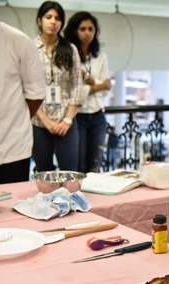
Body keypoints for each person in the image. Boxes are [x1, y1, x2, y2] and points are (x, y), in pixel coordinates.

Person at [32, 1, 81, 172]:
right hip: (39, 122)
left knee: (70, 173)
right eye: (49, 17)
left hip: (65, 122)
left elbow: (76, 86)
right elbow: (27, 88)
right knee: (44, 173)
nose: (53, 22)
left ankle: (69, 200)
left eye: (58, 18)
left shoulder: (70, 49)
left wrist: (67, 120)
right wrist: (46, 121)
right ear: (40, 20)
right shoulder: (30, 48)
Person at [0, 21, 46, 183]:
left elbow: (36, 95)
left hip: (11, 149)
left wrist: (14, 119)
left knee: (9, 206)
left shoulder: (18, 40)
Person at [64, 11, 110, 173]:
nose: (87, 33)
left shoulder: (100, 56)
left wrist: (88, 80)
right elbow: (72, 91)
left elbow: (108, 85)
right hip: (77, 116)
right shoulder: (68, 55)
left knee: (95, 165)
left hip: (98, 115)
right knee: (79, 166)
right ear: (75, 31)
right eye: (82, 29)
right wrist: (95, 85)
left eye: (91, 29)